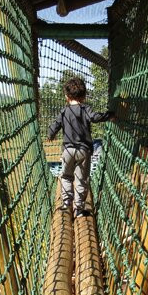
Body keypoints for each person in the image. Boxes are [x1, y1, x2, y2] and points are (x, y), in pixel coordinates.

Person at [47, 76, 114, 218]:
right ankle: (78, 209)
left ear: (66, 96)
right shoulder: (85, 109)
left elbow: (55, 125)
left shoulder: (64, 111)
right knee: (81, 179)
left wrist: (50, 134)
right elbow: (95, 117)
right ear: (84, 96)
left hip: (68, 150)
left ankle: (66, 204)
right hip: (84, 150)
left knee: (66, 176)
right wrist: (109, 116)